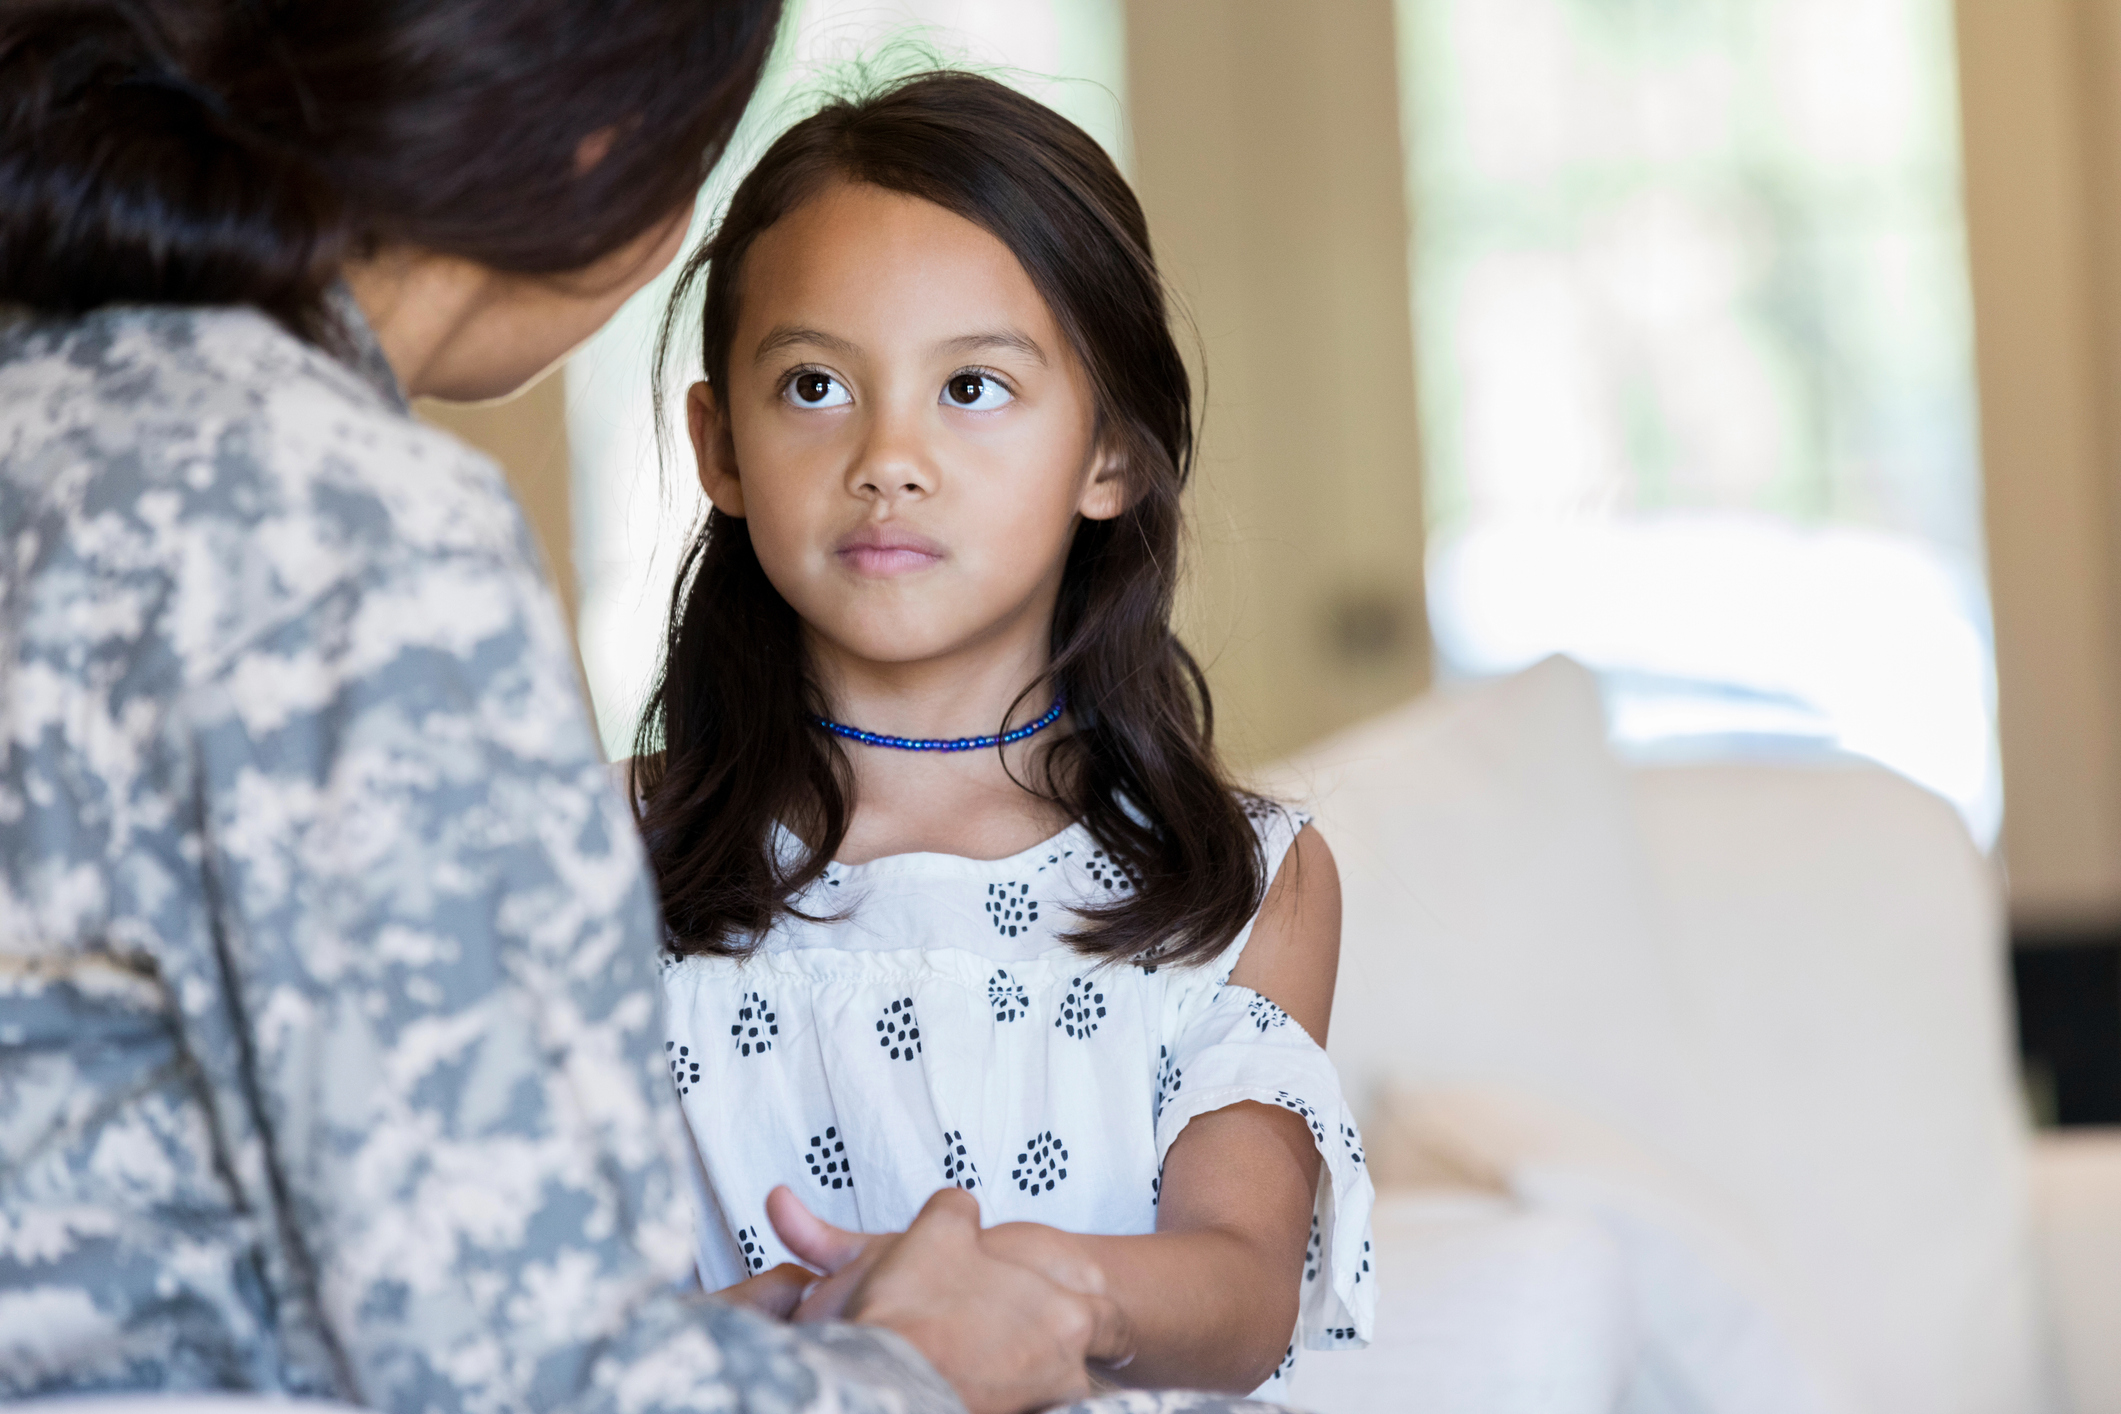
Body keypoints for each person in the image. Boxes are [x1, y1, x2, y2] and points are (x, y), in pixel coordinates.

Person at [0, 6, 1228, 1413]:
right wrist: (917, 1372)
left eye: (972, 387)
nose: (892, 456)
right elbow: (512, 1378)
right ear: (600, 154)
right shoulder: (348, 529)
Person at [631, 73, 1376, 1399]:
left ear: (1114, 452)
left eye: (972, 385)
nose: (888, 456)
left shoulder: (1247, 874)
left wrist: (1007, 1301)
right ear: (720, 446)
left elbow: (1242, 1278)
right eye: (813, 384)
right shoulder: (592, 843)